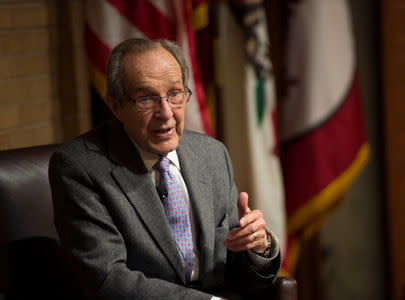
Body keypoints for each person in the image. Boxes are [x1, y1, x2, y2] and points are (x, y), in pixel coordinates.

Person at [49, 38, 280, 299]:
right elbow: (107, 278)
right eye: (146, 99)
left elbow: (233, 269)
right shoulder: (80, 168)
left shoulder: (212, 154)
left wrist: (258, 247)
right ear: (115, 106)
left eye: (175, 94)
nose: (166, 112)